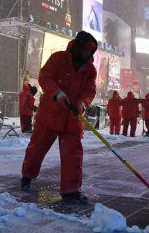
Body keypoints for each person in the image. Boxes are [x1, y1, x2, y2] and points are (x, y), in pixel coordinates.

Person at [21, 31, 98, 204]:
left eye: (91, 52)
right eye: (86, 50)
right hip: (50, 113)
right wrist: (58, 93)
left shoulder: (90, 70)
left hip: (72, 117)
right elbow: (45, 77)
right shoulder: (58, 59)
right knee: (37, 148)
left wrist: (81, 104)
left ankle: (71, 190)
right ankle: (27, 175)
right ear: (78, 47)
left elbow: (89, 91)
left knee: (73, 154)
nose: (88, 54)